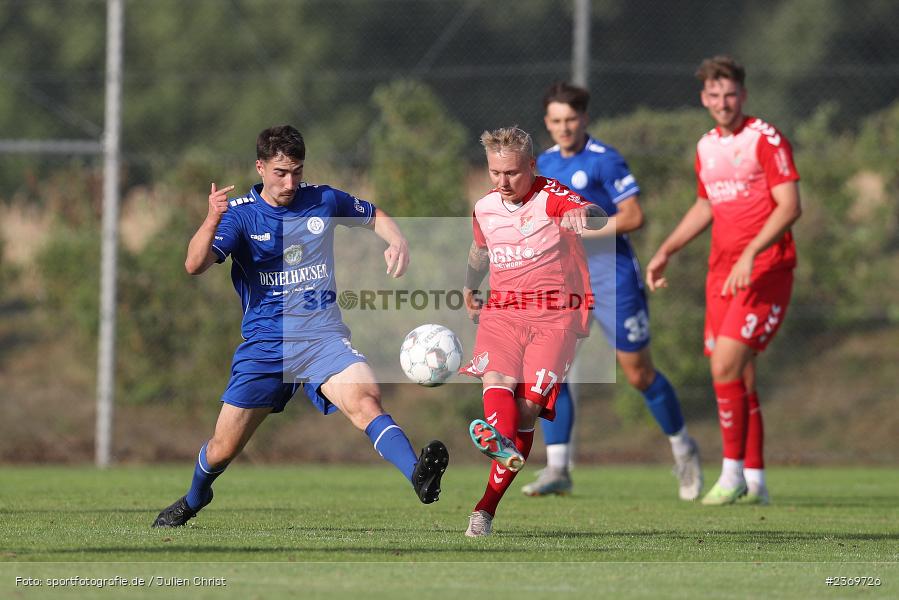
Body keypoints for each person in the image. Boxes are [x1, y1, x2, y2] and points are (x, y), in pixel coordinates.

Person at [152, 125, 449, 527]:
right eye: (280, 173)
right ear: (260, 167)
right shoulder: (240, 215)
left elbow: (373, 215)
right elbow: (193, 264)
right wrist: (211, 219)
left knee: (366, 400)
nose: (290, 183)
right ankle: (194, 498)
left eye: (296, 172)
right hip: (266, 346)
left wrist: (397, 240)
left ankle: (417, 474)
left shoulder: (322, 199)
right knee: (222, 449)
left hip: (321, 337)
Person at [523, 82, 703, 501]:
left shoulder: (604, 160)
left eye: (571, 119)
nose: (564, 128)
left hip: (612, 277)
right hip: (564, 280)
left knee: (639, 374)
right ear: (547, 123)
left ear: (584, 118)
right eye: (556, 121)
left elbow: (635, 215)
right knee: (549, 371)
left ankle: (684, 449)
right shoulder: (543, 164)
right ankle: (558, 468)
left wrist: (586, 229)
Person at [645, 56, 802, 506]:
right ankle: (756, 481)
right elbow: (706, 205)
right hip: (722, 273)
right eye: (714, 95)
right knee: (740, 376)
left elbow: (790, 206)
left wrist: (752, 252)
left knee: (725, 368)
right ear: (704, 98)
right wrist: (667, 249)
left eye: (730, 94)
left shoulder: (764, 138)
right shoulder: (706, 146)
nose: (723, 103)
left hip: (764, 269)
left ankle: (731, 475)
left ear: (743, 96)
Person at [460, 126, 604, 537]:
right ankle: (496, 467)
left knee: (526, 412)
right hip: (502, 313)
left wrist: (584, 215)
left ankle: (488, 501)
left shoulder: (552, 196)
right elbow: (481, 250)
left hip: (555, 318)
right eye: (495, 172)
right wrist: (470, 287)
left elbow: (593, 213)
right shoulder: (485, 207)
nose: (503, 182)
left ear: (532, 166)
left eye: (512, 173)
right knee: (496, 381)